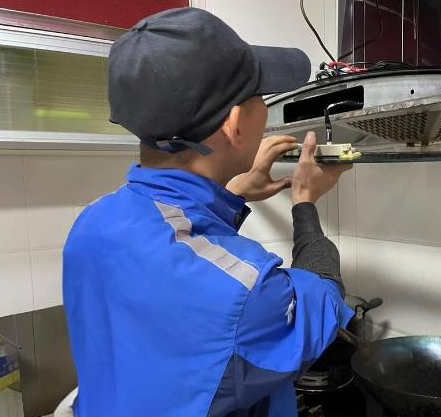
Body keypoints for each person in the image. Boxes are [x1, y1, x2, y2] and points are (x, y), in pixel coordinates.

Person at [62, 7, 354, 417]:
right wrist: (305, 201)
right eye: (260, 96)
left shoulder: (92, 222)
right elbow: (322, 299)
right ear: (235, 125)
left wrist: (231, 193)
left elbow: (181, 247)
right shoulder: (247, 294)